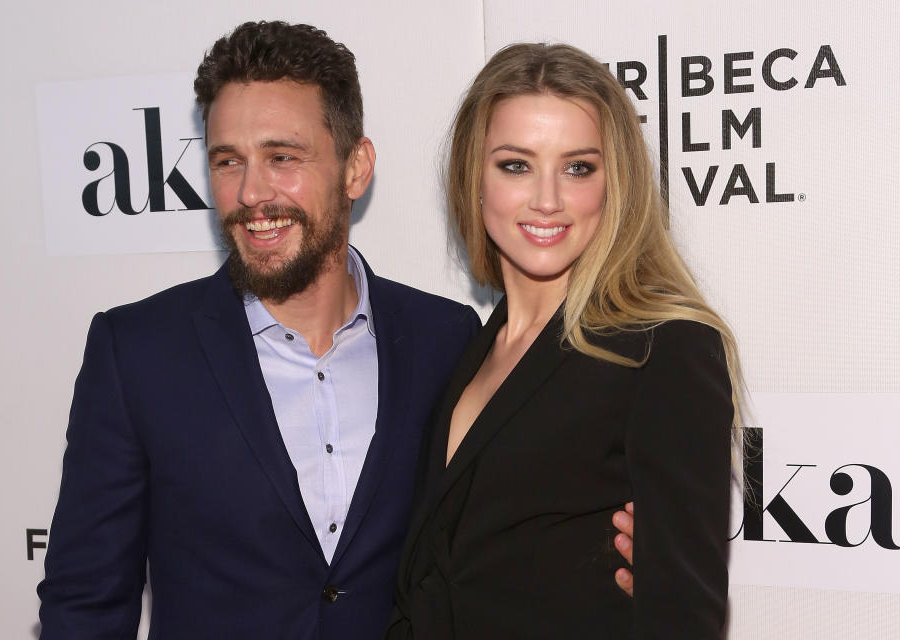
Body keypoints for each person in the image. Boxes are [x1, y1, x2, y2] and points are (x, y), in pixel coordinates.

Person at [37, 23, 635, 640]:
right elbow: (83, 604)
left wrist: (631, 561)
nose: (251, 193)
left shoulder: (447, 340)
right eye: (228, 161)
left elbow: (500, 541)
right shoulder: (138, 353)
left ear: (355, 168)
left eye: (282, 158)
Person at [389, 42, 742, 639]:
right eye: (516, 164)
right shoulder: (472, 348)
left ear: (616, 183)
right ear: (474, 178)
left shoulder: (666, 347)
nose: (547, 198)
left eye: (578, 166)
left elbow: (683, 617)